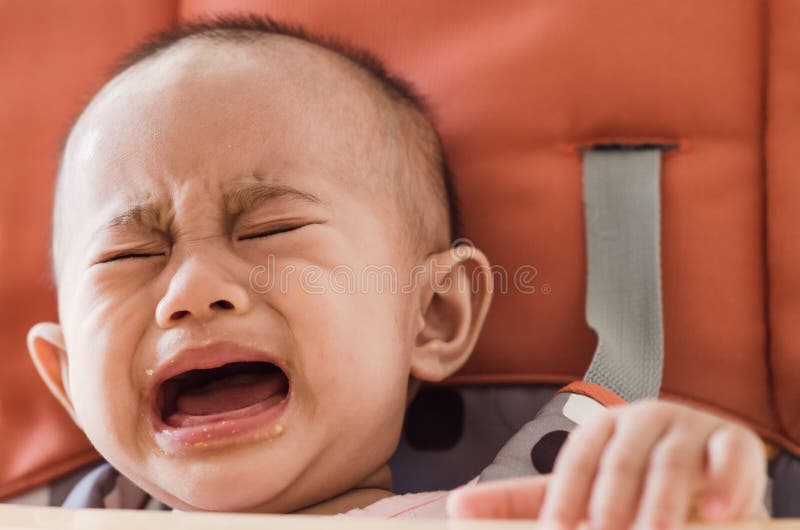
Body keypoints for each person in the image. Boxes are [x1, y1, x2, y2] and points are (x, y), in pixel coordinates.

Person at [26, 15, 769, 526]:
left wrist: (686, 492)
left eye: (271, 228)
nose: (191, 293)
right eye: (130, 256)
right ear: (65, 379)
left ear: (434, 314)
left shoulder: (530, 510)